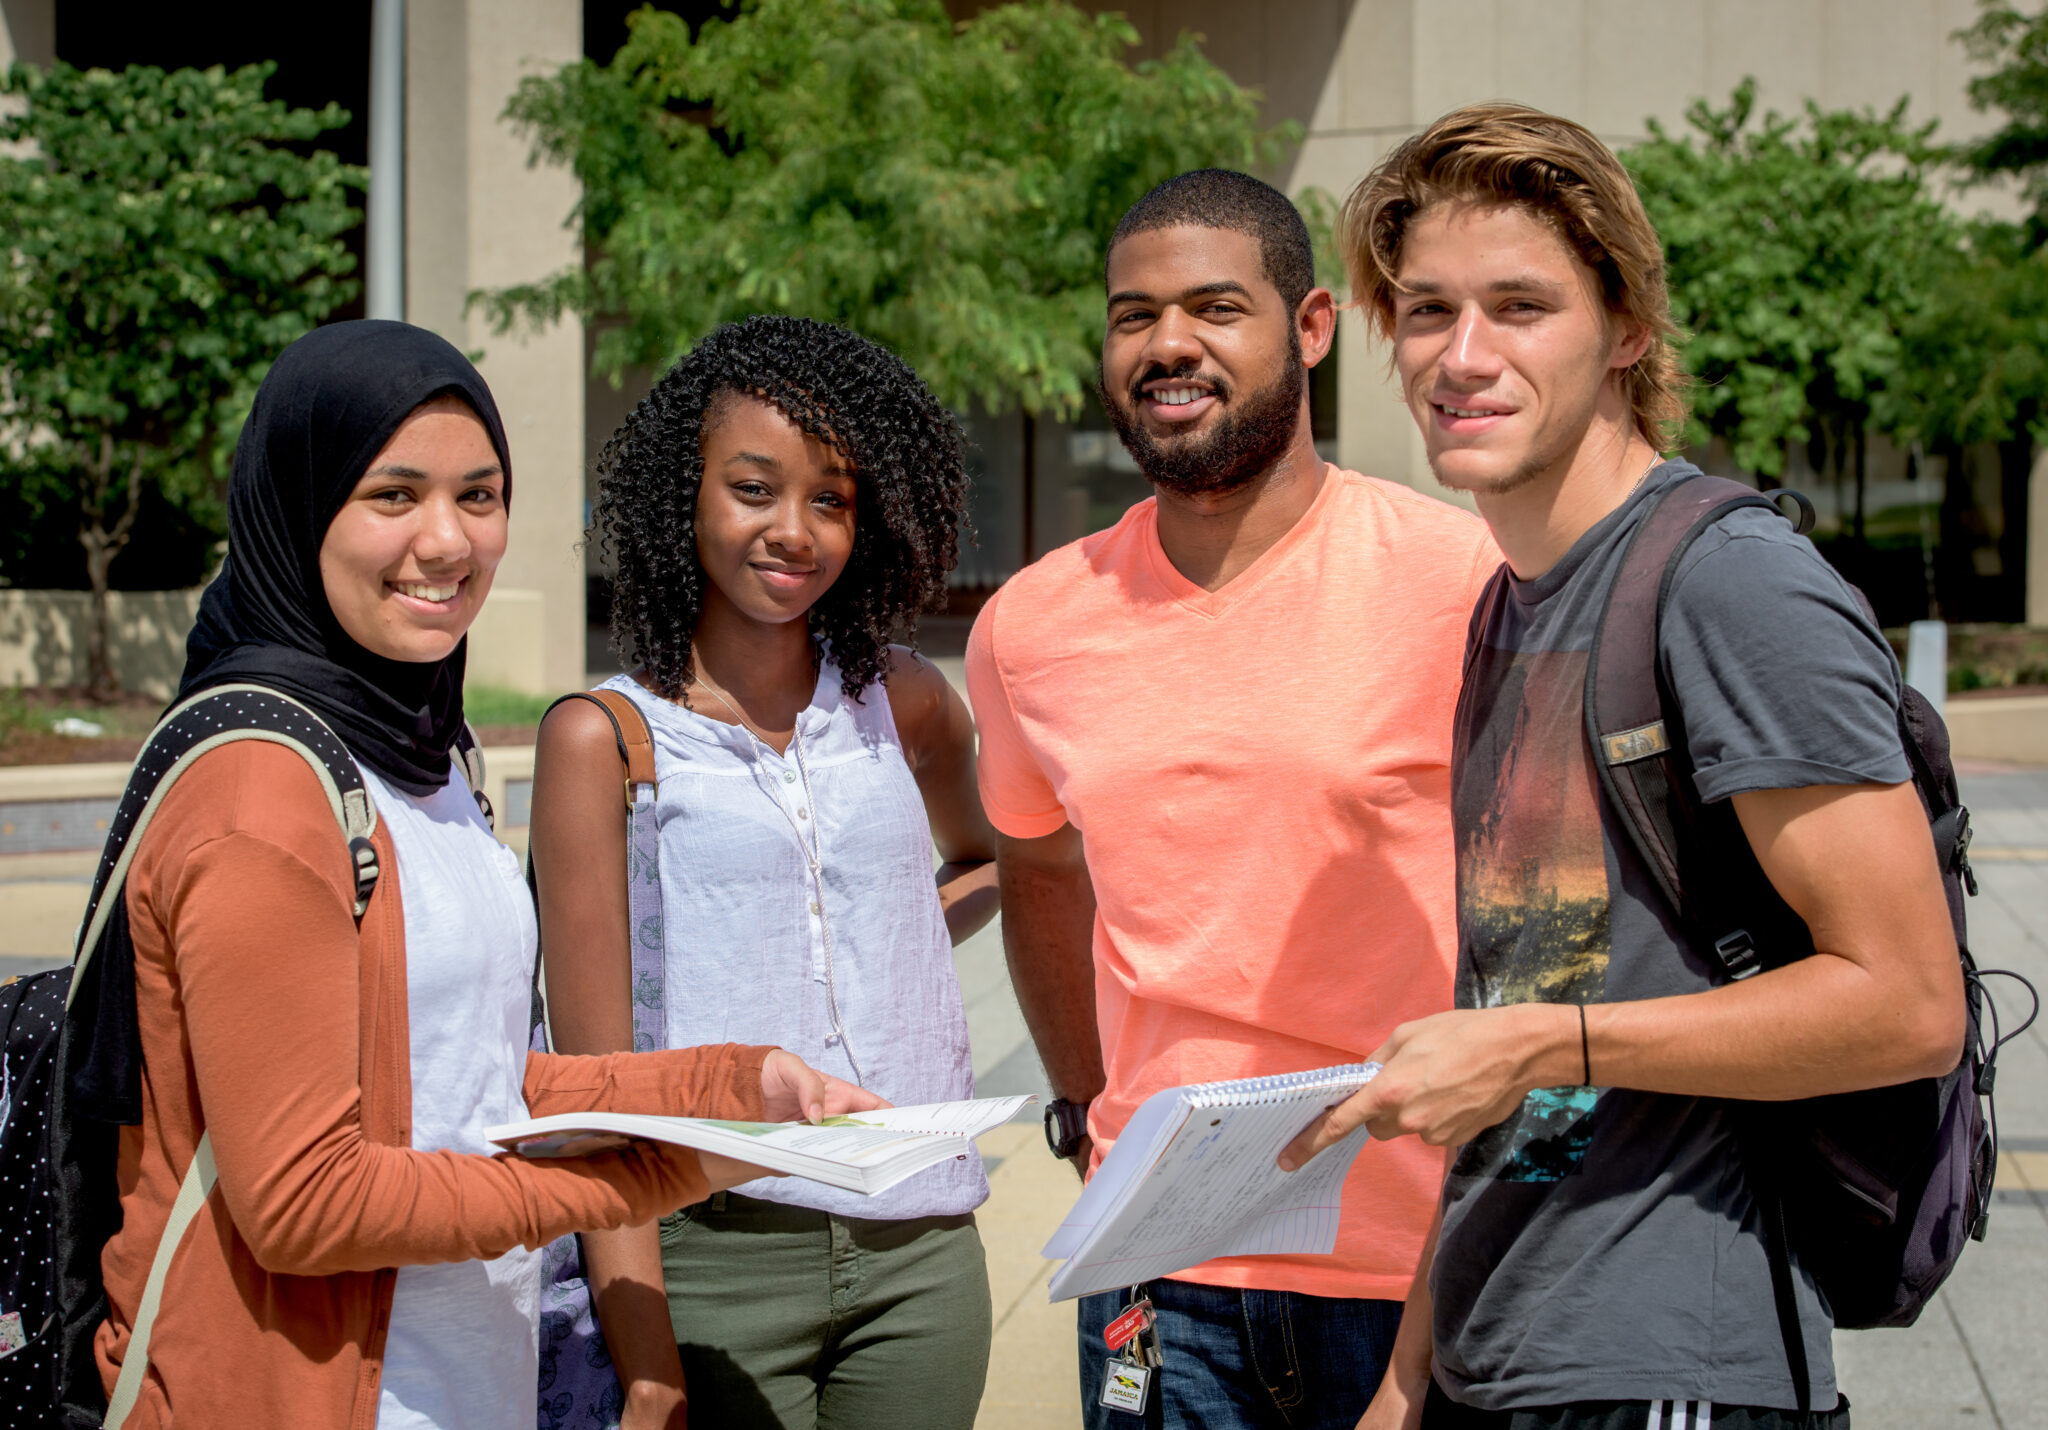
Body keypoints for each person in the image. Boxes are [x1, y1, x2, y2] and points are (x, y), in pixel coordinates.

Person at [1280, 105, 1965, 1430]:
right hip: (1495, 1355)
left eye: (1520, 306)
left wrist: (1546, 1039)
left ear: (1628, 330)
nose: (1461, 357)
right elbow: (1519, 1002)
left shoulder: (1729, 582)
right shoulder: (1512, 604)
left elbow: (1909, 999)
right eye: (1428, 311)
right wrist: (1412, 1373)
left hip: (1670, 1358)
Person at [95, 319, 875, 1429]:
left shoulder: (419, 754)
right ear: (299, 504)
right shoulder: (261, 794)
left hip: (460, 1386)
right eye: (393, 495)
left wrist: (726, 1091)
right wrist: (646, 1179)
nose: (447, 541)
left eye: (479, 494)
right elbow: (305, 1202)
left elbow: (457, 1082)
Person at [965, 169, 1500, 1428]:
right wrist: (1084, 1108)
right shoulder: (1029, 625)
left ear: (1308, 326)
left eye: (1213, 307)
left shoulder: (1466, 583)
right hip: (1160, 1271)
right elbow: (1037, 864)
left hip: (1417, 1269)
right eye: (1130, 313)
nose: (1166, 346)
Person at [528, 314, 1000, 1430]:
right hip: (715, 1255)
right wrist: (644, 1356)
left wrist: (889, 932)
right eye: (753, 489)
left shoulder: (904, 699)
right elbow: (598, 1083)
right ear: (680, 494)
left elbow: (984, 860)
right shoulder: (605, 738)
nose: (793, 531)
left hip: (921, 1247)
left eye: (830, 498)